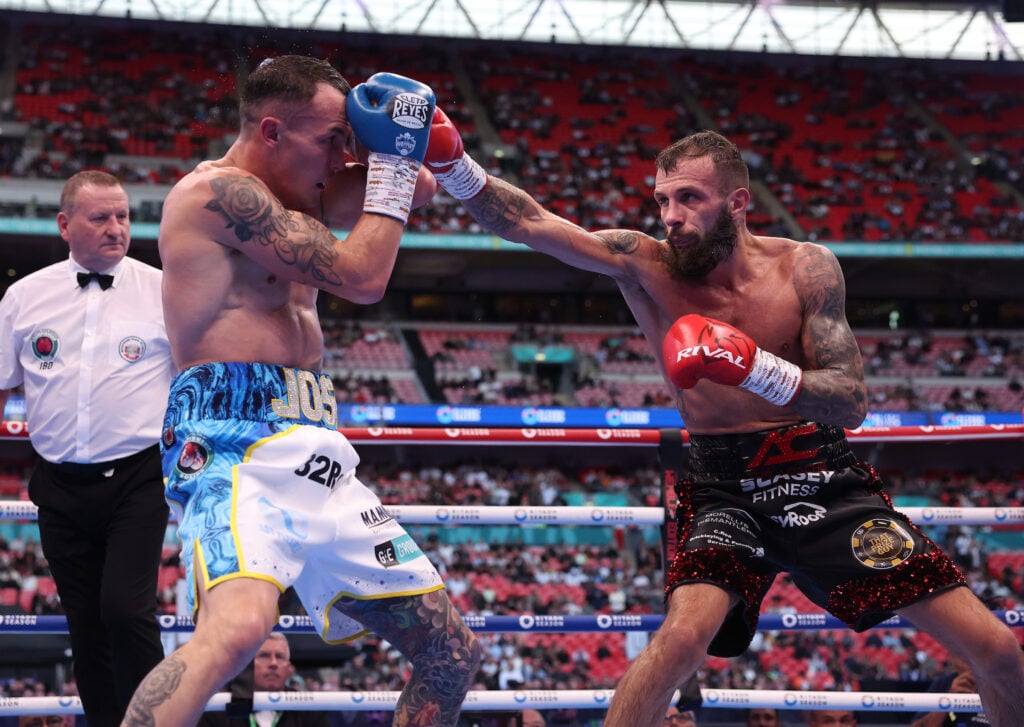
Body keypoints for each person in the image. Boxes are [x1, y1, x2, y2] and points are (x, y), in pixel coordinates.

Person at [421, 120, 1024, 727]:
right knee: (680, 640)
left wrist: (752, 366)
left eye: (689, 198)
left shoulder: (805, 268)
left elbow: (850, 400)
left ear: (737, 203)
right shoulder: (645, 263)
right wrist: (453, 163)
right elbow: (527, 222)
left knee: (998, 651)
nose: (671, 216)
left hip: (825, 477)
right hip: (721, 487)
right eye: (662, 199)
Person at [121, 56, 480, 727]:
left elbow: (422, 183)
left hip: (315, 440)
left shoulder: (306, 188)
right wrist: (395, 161)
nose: (343, 156)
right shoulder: (217, 196)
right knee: (236, 630)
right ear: (272, 131)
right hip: (231, 440)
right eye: (331, 139)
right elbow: (363, 274)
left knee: (450, 651)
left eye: (350, 139)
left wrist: (393, 136)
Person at [0, 170, 173, 727]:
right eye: (100, 217)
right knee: (86, 627)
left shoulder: (165, 289)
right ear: (65, 224)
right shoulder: (24, 296)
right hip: (58, 482)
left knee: (126, 611)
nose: (115, 227)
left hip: (139, 478)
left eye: (122, 216)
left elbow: (200, 377)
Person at [199, 633, 328, 727]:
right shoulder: (218, 707)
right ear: (247, 663)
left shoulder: (309, 710)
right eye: (264, 655)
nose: (273, 663)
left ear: (288, 667)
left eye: (280, 656)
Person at [908, 653, 990, 726]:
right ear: (951, 658)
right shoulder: (943, 683)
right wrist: (948, 700)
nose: (969, 662)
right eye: (963, 656)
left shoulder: (996, 685)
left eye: (973, 655)